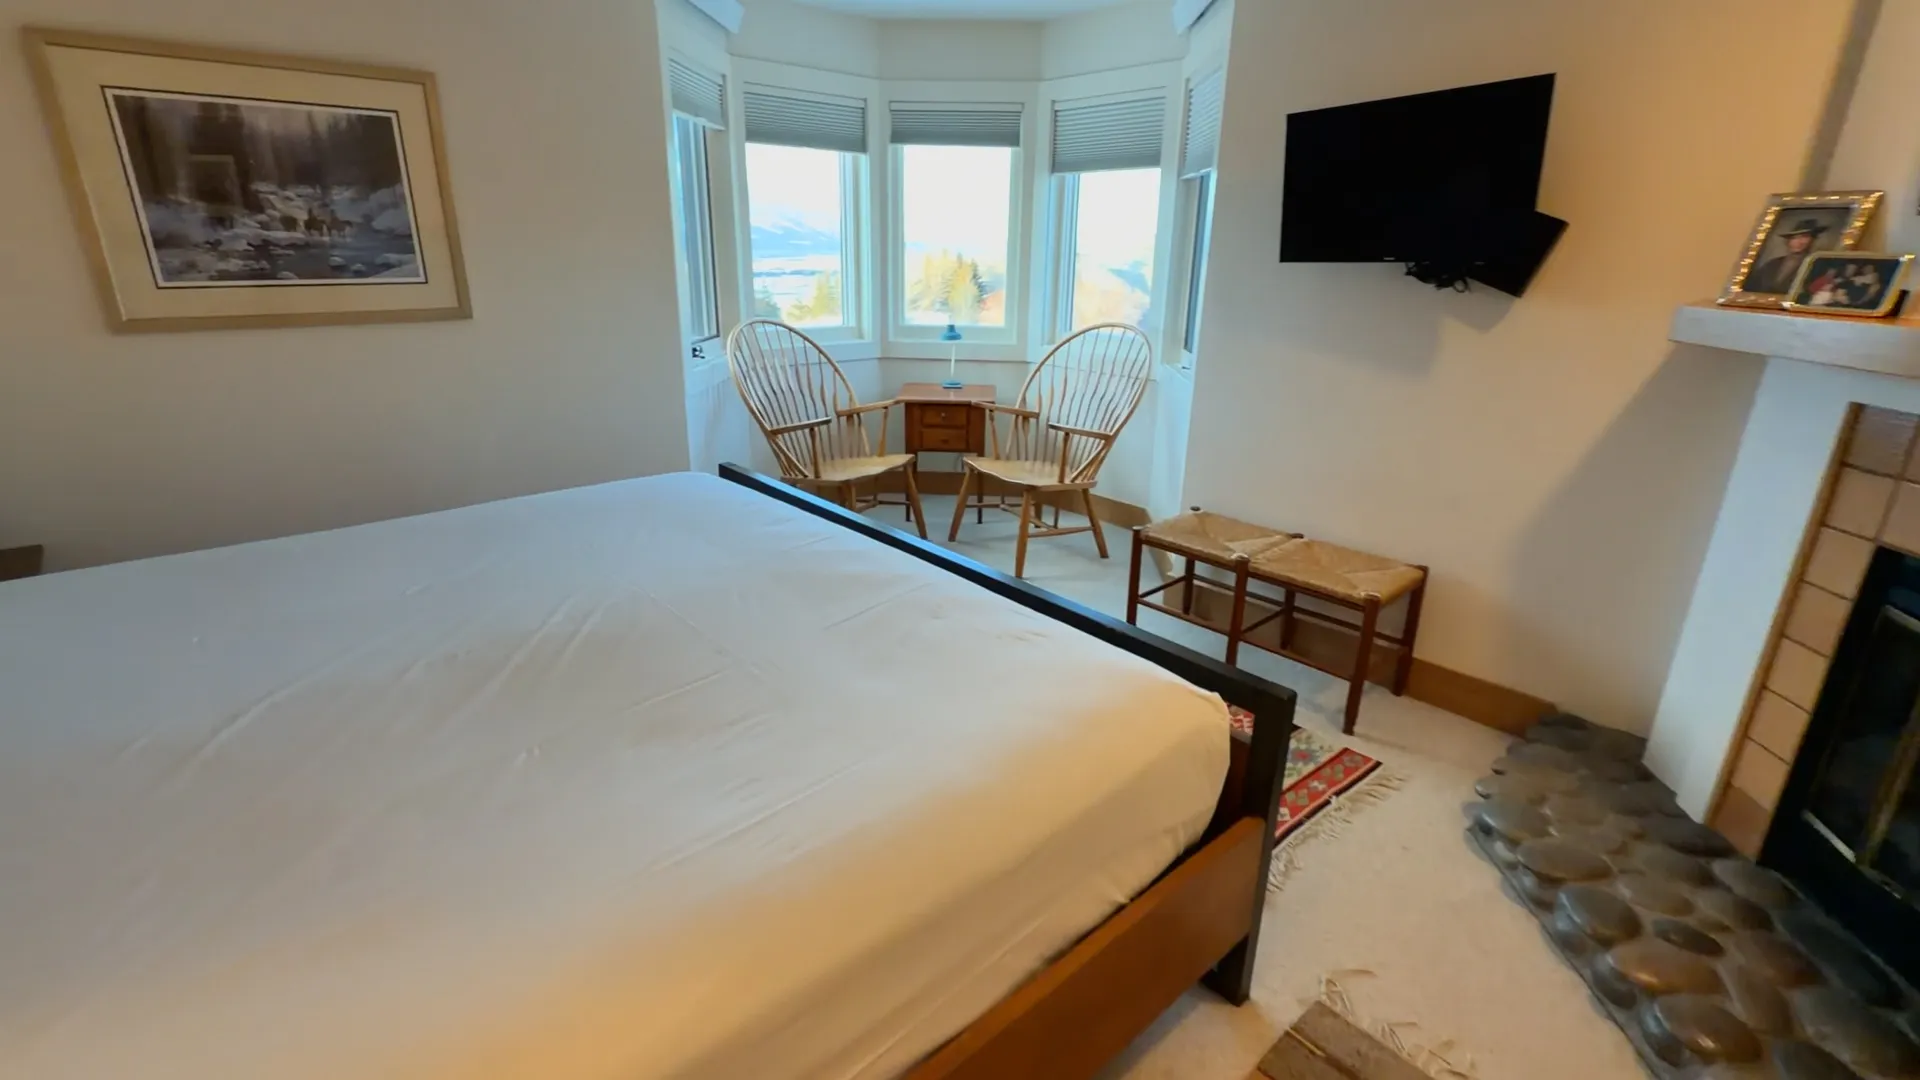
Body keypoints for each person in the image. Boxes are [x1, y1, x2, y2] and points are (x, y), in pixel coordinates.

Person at [1747, 217, 1829, 294]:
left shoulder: (1817, 266)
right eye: (1794, 238)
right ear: (1788, 241)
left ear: (1813, 240)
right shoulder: (1772, 264)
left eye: (1804, 237)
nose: (1799, 242)